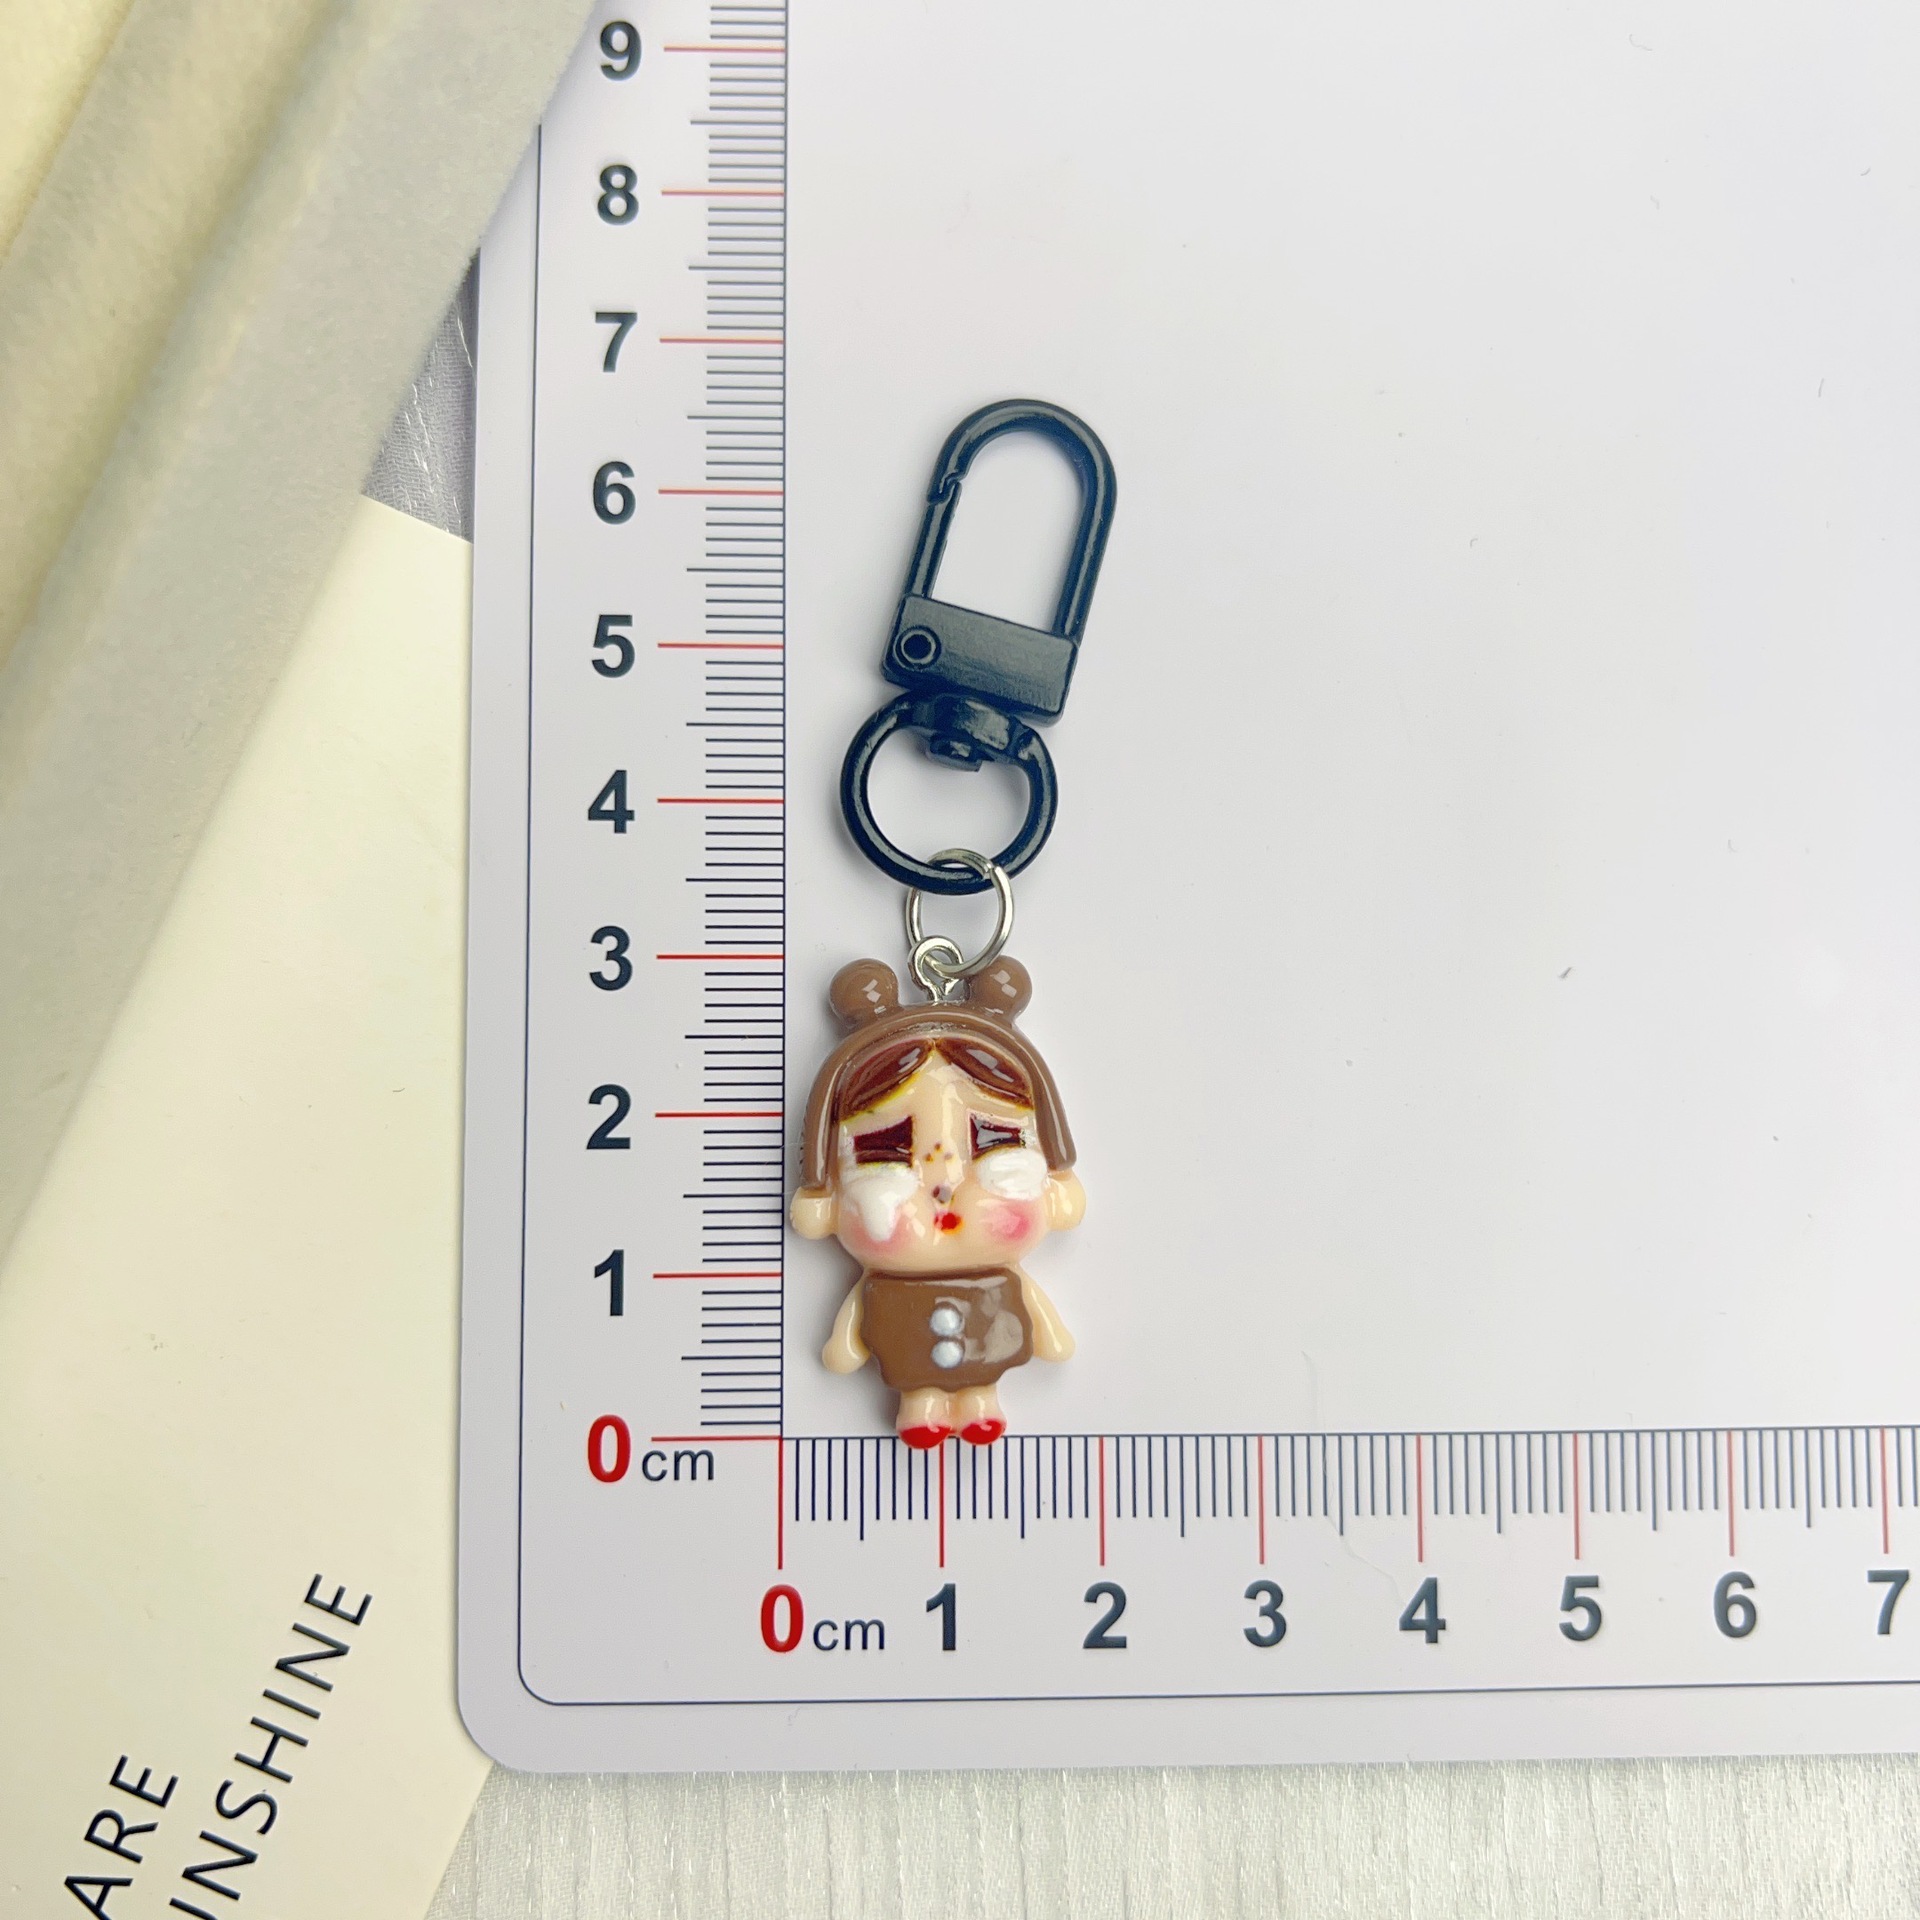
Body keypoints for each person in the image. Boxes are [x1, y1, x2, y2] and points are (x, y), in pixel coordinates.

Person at [791, 955, 1085, 1447]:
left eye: (995, 1142)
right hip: (905, 1344)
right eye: (886, 1151)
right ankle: (920, 1407)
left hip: (988, 1336)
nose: (943, 1187)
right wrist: (846, 1343)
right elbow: (850, 1329)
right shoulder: (882, 1282)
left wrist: (1050, 1335)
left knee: (980, 1387)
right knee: (918, 1386)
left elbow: (1037, 1310)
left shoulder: (1002, 1273)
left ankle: (980, 1403)